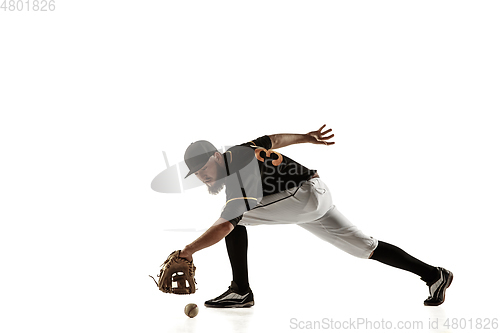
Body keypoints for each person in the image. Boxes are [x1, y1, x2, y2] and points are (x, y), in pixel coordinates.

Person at [178, 125, 452, 308]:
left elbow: (226, 223)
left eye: (203, 168)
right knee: (364, 247)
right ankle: (434, 275)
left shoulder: (237, 171)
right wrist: (307, 138)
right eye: (197, 173)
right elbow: (273, 140)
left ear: (216, 156)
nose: (202, 176)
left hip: (301, 196)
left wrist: (189, 250)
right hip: (312, 195)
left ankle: (240, 290)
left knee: (234, 221)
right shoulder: (240, 150)